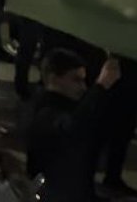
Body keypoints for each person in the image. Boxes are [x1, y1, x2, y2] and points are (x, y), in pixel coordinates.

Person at [26, 49, 120, 201]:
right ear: (54, 79)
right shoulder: (45, 112)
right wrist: (101, 87)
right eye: (76, 80)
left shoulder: (67, 105)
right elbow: (73, 128)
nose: (83, 87)